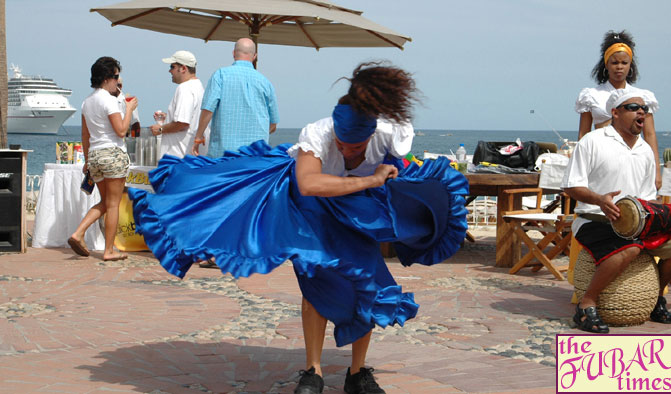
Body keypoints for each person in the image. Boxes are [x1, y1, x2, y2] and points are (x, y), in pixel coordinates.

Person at [128, 62, 469, 394]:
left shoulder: (387, 134)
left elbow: (399, 170)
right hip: (308, 203)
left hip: (358, 207)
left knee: (368, 279)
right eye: (341, 143)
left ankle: (356, 374)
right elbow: (308, 184)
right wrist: (369, 179)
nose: (345, 150)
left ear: (370, 135)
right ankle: (313, 371)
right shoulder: (318, 133)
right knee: (315, 275)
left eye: (354, 147)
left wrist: (397, 189)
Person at [563, 91, 671, 333]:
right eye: (633, 107)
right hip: (592, 218)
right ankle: (587, 304)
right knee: (632, 247)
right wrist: (598, 199)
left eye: (644, 109)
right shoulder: (592, 141)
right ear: (615, 112)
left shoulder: (645, 150)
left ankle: (654, 297)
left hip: (637, 223)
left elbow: (647, 197)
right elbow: (571, 185)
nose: (641, 112)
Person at [68, 57, 137, 261]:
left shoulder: (86, 102)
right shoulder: (109, 100)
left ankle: (78, 232)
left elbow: (85, 135)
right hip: (112, 153)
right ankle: (108, 250)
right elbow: (121, 130)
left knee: (106, 202)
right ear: (107, 77)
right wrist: (130, 110)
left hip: (96, 155)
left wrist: (88, 160)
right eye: (116, 77)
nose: (117, 81)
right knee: (113, 203)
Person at [575, 30, 661, 189]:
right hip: (602, 160)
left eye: (624, 63)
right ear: (606, 64)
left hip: (634, 159)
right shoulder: (591, 95)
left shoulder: (641, 97)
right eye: (614, 63)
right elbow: (583, 134)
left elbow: (649, 134)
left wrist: (656, 171)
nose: (619, 67)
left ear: (630, 65)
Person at [191, 37, 278, 157]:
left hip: (224, 154)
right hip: (256, 155)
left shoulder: (220, 75)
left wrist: (198, 137)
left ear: (233, 53)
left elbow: (208, 110)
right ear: (255, 56)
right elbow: (273, 124)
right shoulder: (266, 83)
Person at [150, 51, 208, 157]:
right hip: (191, 157)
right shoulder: (199, 87)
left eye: (172, 67)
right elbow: (191, 119)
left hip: (178, 157)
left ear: (183, 69)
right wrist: (169, 118)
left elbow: (182, 123)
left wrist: (160, 129)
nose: (169, 71)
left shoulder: (185, 88)